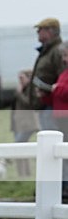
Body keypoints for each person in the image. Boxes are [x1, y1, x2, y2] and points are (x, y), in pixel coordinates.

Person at [41, 41, 68, 200]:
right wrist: (45, 95)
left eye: (66, 55)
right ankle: (63, 186)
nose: (64, 59)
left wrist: (56, 88)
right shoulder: (64, 73)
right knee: (61, 155)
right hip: (60, 118)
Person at [28, 18, 64, 130]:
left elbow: (63, 79)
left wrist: (48, 92)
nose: (37, 33)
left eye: (40, 29)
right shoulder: (47, 51)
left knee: (51, 141)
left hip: (52, 106)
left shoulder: (57, 51)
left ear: (50, 31)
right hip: (45, 105)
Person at [10, 70, 38, 178]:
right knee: (21, 150)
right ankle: (23, 174)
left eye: (22, 78)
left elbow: (28, 103)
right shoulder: (21, 89)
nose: (20, 81)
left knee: (18, 145)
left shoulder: (31, 89)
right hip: (18, 123)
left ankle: (25, 173)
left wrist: (19, 93)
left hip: (27, 124)